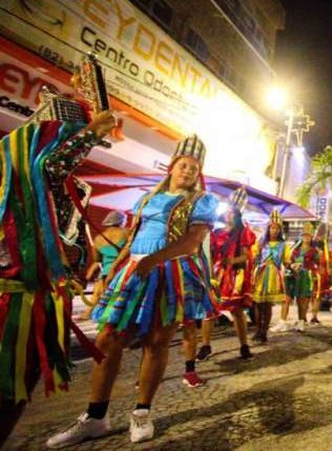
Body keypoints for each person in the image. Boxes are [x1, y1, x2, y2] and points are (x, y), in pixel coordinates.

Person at [46, 134, 218, 447]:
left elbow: (192, 242)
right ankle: (96, 417)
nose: (188, 171)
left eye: (194, 167)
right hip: (134, 270)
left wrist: (152, 260)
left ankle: (142, 414)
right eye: (183, 164)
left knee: (156, 341)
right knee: (107, 337)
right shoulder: (147, 199)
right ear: (171, 166)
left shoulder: (203, 201)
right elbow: (130, 239)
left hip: (170, 271)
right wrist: (112, 271)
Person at [0, 87, 116, 444]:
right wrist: (94, 132)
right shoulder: (14, 173)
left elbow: (77, 246)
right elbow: (51, 165)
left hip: (42, 300)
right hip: (9, 298)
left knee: (20, 384)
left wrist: (77, 256)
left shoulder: (75, 188)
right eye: (61, 137)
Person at [200, 187, 256, 362]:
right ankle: (205, 345)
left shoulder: (243, 232)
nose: (229, 215)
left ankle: (244, 346)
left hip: (234, 277)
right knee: (209, 310)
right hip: (216, 276)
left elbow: (247, 255)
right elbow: (209, 253)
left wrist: (231, 261)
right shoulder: (216, 233)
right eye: (228, 212)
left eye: (232, 212)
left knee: (237, 312)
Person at [79, 211, 129, 321]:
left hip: (106, 272)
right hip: (123, 270)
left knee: (97, 295)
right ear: (121, 221)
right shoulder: (126, 233)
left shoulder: (98, 238)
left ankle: (88, 313)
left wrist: (91, 270)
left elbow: (97, 260)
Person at [252, 209, 287, 343]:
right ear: (268, 228)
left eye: (277, 228)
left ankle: (264, 332)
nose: (274, 230)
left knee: (267, 305)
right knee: (257, 304)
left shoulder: (283, 245)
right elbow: (255, 257)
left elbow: (286, 261)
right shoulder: (261, 242)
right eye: (272, 227)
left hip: (273, 276)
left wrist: (292, 266)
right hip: (260, 274)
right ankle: (257, 330)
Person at [289, 223, 320, 330]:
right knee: (298, 299)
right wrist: (293, 265)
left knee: (305, 299)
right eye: (304, 235)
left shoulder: (314, 250)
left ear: (311, 237)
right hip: (297, 275)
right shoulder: (296, 249)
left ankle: (302, 321)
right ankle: (300, 320)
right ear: (301, 236)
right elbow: (290, 260)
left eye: (308, 236)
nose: (306, 237)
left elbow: (319, 262)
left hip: (308, 276)